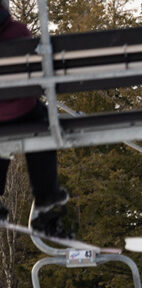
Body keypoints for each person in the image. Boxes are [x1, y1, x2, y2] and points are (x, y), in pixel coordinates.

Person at [0, 2, 70, 238]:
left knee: (2, 141)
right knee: (44, 125)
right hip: (22, 112)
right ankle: (46, 196)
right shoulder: (18, 32)